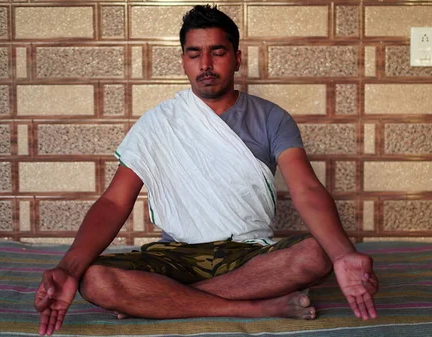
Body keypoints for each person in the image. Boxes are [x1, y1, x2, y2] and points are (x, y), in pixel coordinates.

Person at [34, 5, 379, 336]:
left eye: (218, 52)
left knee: (317, 254)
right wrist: (67, 268)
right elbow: (113, 202)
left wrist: (343, 255)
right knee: (94, 280)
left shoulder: (272, 118)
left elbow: (306, 189)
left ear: (237, 58)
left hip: (248, 254)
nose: (206, 64)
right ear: (183, 61)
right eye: (194, 53)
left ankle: (163, 300)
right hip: (177, 255)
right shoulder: (158, 122)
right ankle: (251, 307)